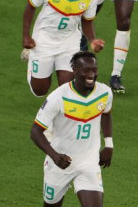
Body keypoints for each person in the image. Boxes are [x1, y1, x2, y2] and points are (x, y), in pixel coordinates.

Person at [30, 51, 114, 207]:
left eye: (94, 69)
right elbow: (35, 132)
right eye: (86, 70)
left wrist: (109, 145)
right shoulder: (58, 97)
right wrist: (55, 156)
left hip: (88, 162)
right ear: (74, 70)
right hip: (60, 163)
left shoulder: (105, 92)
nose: (91, 74)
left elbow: (106, 114)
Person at [23, 0, 105, 97]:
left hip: (69, 43)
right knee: (40, 91)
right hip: (44, 40)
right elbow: (30, 5)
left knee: (67, 89)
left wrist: (92, 40)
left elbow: (87, 21)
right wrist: (26, 36)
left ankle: (61, 113)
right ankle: (32, 58)